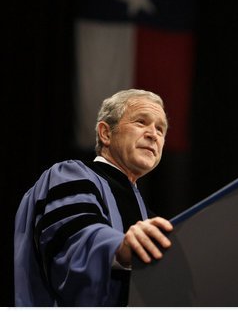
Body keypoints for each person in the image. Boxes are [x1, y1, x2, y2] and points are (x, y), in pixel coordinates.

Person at [14, 89, 173, 307]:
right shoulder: (69, 175)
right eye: (141, 122)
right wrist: (120, 247)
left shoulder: (149, 216)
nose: (153, 134)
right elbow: (73, 239)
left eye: (160, 129)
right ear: (106, 133)